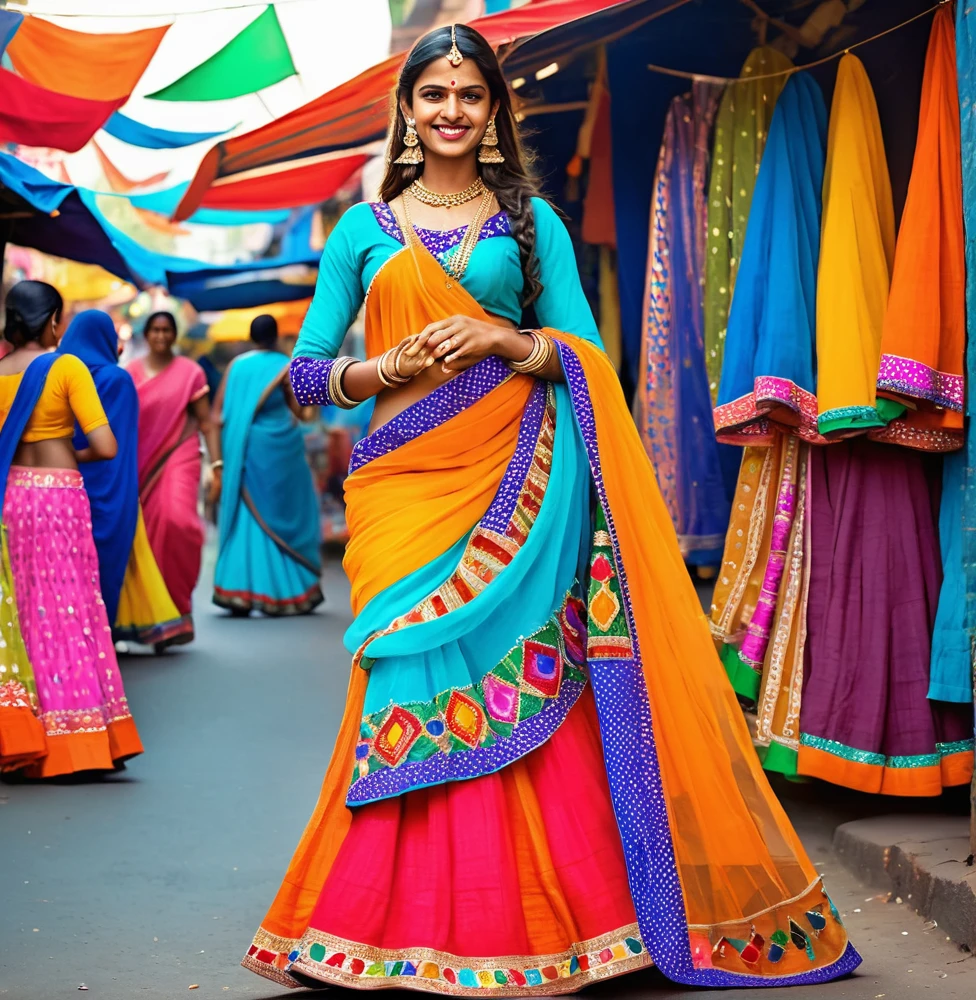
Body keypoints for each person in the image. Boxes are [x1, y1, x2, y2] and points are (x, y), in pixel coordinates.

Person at [242, 25, 858, 994]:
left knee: (524, 676)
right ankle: (385, 919)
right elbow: (311, 374)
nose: (450, 111)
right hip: (403, 486)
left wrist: (500, 337)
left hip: (517, 480)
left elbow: (582, 353)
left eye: (469, 96)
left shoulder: (531, 222)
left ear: (494, 110)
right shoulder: (362, 230)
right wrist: (381, 365)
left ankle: (542, 918)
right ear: (406, 109)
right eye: (433, 94)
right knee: (407, 673)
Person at [0, 282, 142, 776]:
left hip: (13, 496)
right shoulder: (66, 367)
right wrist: (65, 448)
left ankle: (26, 731)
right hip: (60, 495)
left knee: (23, 611)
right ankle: (77, 738)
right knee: (70, 610)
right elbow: (105, 445)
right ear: (54, 322)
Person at [57, 310, 187, 653]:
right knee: (106, 561)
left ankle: (66, 637)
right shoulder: (116, 380)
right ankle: (99, 635)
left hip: (59, 483)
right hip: (108, 488)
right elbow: (120, 445)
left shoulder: (56, 374)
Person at [212, 314, 323, 616]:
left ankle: (239, 590)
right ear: (276, 337)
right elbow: (303, 414)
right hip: (282, 452)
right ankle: (286, 590)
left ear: (250, 336)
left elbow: (217, 414)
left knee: (249, 513)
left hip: (246, 449)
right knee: (283, 512)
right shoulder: (285, 367)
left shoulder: (237, 366)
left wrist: (219, 461)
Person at [126, 312, 221, 644]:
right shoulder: (131, 372)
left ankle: (178, 609)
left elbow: (206, 421)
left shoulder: (191, 373)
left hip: (180, 454)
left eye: (167, 330)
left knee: (178, 522)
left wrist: (217, 466)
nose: (161, 336)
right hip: (141, 463)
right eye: (156, 330)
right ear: (147, 333)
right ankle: (154, 618)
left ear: (175, 334)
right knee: (147, 539)